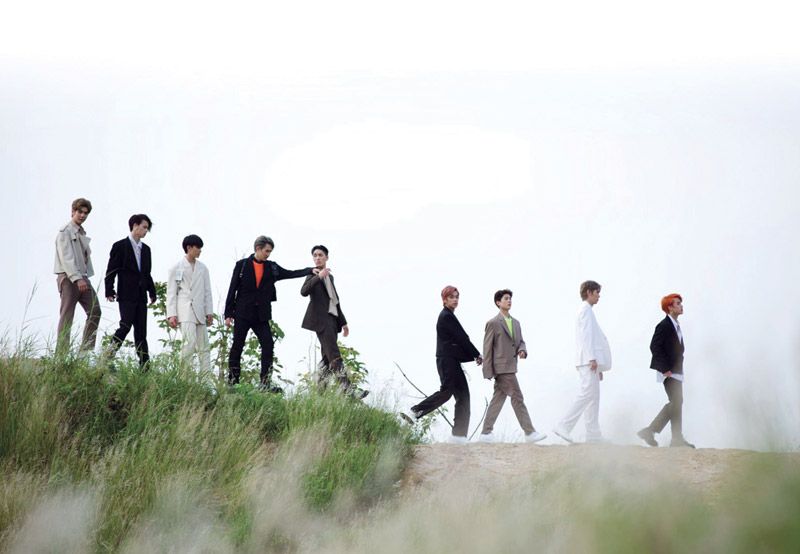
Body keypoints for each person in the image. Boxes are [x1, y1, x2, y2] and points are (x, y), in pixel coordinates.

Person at [224, 235, 315, 391]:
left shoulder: (272, 267)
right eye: (267, 251)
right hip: (242, 313)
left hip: (261, 315)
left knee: (268, 345)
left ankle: (265, 383)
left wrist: (310, 270)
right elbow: (232, 289)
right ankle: (233, 382)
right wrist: (228, 314)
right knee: (237, 346)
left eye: (270, 251)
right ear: (258, 248)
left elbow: (290, 273)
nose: (268, 254)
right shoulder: (242, 265)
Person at [402, 286, 482, 444]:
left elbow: (460, 339)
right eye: (452, 297)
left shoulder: (449, 315)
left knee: (463, 397)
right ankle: (415, 411)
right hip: (447, 360)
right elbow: (462, 338)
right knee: (446, 392)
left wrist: (474, 355)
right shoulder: (446, 316)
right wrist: (476, 354)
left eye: (457, 297)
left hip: (452, 360)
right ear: (444, 300)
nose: (455, 300)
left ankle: (458, 437)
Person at [478, 289, 546, 443]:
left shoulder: (516, 323)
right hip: (501, 369)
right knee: (517, 397)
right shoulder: (493, 323)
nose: (509, 301)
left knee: (498, 399)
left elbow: (521, 342)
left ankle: (486, 433)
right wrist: (487, 371)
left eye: (510, 298)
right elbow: (487, 348)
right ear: (498, 302)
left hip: (511, 366)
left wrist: (522, 350)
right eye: (506, 298)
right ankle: (529, 432)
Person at [300, 245, 366, 398]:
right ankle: (348, 390)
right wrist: (318, 277)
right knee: (334, 354)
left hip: (332, 320)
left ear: (326, 257)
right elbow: (303, 292)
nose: (317, 258)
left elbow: (335, 300)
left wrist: (343, 322)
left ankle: (319, 394)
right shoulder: (312, 274)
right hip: (320, 321)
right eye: (315, 255)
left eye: (320, 255)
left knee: (327, 358)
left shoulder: (330, 277)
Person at [553, 280, 612, 444]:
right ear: (589, 292)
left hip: (590, 361)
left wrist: (598, 366)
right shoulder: (585, 310)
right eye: (597, 292)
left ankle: (593, 435)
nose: (599, 296)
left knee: (594, 397)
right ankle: (563, 425)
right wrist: (592, 358)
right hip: (587, 360)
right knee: (587, 394)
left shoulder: (588, 310)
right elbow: (587, 337)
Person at [637, 294, 695, 448]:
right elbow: (654, 347)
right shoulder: (663, 325)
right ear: (670, 307)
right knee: (676, 402)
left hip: (676, 371)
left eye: (681, 303)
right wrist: (665, 369)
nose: (681, 306)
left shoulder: (676, 325)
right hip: (668, 371)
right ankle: (653, 431)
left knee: (677, 402)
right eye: (678, 303)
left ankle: (675, 438)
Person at [104, 214, 156, 369]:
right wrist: (109, 290)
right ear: (135, 225)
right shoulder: (120, 246)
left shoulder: (146, 250)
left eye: (147, 228)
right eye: (144, 227)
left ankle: (145, 366)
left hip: (141, 295)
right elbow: (111, 270)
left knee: (141, 332)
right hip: (126, 293)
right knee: (125, 325)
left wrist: (152, 292)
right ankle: (107, 356)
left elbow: (147, 273)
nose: (146, 231)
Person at [54, 197, 101, 356]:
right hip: (69, 278)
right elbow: (66, 258)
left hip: (82, 277)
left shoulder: (81, 232)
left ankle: (85, 354)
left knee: (95, 311)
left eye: (85, 213)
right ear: (73, 211)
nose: (82, 215)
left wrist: (82, 277)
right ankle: (61, 356)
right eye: (80, 212)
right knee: (67, 316)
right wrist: (77, 278)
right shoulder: (64, 232)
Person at [166, 234, 214, 373]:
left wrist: (209, 312)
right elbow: (172, 292)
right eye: (197, 247)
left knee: (204, 346)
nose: (200, 251)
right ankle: (184, 377)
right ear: (189, 248)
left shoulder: (203, 268)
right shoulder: (176, 268)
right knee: (189, 343)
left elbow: (207, 291)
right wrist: (172, 314)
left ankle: (205, 379)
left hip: (199, 310)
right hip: (185, 310)